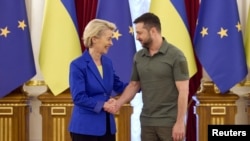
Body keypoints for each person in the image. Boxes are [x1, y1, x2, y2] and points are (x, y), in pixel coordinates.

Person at [105, 12, 189, 141]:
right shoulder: (139, 57)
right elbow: (134, 85)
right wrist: (118, 104)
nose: (137, 37)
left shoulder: (176, 56)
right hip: (146, 122)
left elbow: (184, 91)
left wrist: (179, 123)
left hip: (169, 123)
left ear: (153, 31)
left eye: (140, 33)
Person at [68, 19, 128, 141]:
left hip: (107, 128)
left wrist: (141, 83)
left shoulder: (108, 63)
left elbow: (118, 86)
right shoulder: (78, 65)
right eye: (108, 39)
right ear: (94, 39)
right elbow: (78, 97)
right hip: (85, 129)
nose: (111, 43)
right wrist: (103, 105)